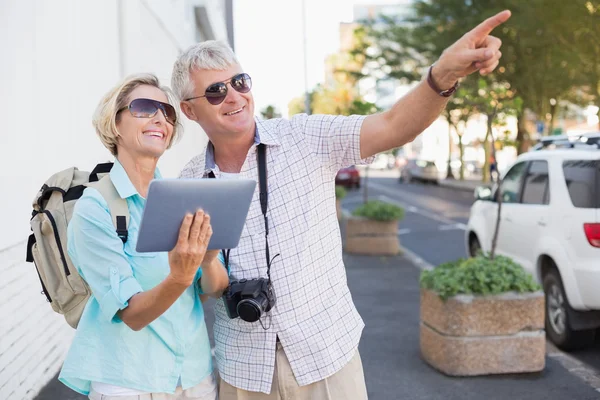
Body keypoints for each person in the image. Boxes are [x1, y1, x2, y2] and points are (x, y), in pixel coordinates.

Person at [171, 10, 511, 400]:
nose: (233, 96)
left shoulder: (305, 136)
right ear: (190, 109)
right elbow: (201, 286)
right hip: (243, 372)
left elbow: (393, 125)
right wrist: (206, 262)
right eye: (216, 91)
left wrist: (442, 76)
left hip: (326, 358)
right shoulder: (189, 182)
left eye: (239, 82)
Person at [58, 73, 230, 400]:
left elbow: (214, 288)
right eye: (144, 107)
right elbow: (132, 315)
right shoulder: (95, 208)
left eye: (167, 113)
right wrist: (179, 276)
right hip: (131, 383)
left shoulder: (183, 199)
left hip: (195, 377)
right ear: (115, 123)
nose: (159, 118)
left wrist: (207, 262)